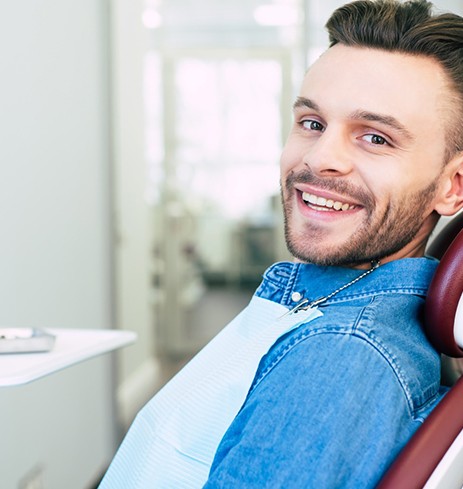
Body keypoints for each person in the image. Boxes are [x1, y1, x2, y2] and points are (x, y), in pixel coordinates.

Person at [99, 0, 463, 487]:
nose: (320, 158)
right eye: (312, 123)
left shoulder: (338, 356)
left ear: (453, 186)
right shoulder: (325, 310)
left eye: (375, 138)